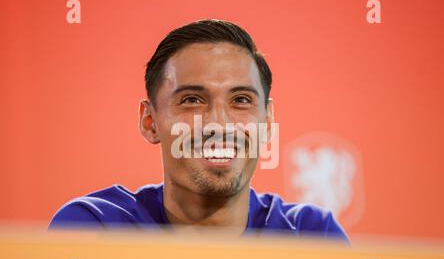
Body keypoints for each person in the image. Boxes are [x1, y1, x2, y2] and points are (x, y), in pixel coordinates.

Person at [49, 19, 349, 243]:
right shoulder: (94, 228)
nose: (219, 124)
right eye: (192, 100)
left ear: (267, 123)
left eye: (241, 100)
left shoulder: (312, 236)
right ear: (149, 121)